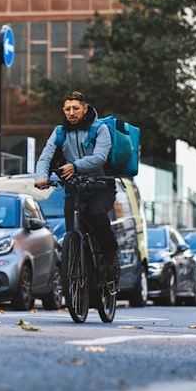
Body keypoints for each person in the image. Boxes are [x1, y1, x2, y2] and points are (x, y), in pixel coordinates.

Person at [35, 90, 120, 280]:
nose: (71, 113)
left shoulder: (99, 129)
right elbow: (45, 157)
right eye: (67, 109)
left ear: (85, 109)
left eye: (75, 108)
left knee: (96, 214)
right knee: (72, 231)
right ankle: (82, 274)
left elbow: (99, 158)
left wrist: (75, 166)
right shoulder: (59, 132)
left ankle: (110, 254)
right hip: (74, 188)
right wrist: (41, 176)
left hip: (101, 187)